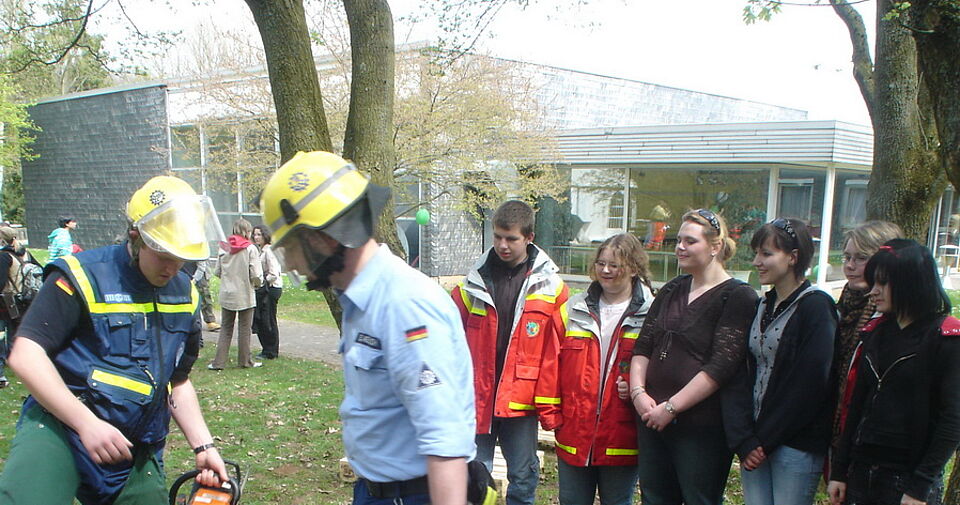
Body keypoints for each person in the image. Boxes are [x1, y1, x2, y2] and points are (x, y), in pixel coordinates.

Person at [260, 151, 476, 505]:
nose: (292, 263)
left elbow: (445, 442)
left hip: (414, 495)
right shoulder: (362, 299)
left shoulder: (403, 304)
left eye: (292, 248)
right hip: (380, 491)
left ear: (324, 238)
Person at [0, 176, 229, 504]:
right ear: (136, 236)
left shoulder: (185, 294)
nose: (172, 267)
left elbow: (177, 381)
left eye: (181, 256)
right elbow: (26, 354)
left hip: (134, 441)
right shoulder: (81, 275)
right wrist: (86, 423)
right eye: (163, 253)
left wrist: (203, 445)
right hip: (60, 427)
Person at [629, 208, 758, 505]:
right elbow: (643, 346)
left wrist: (671, 408)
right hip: (650, 418)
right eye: (678, 240)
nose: (680, 247)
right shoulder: (672, 288)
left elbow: (721, 366)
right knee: (655, 498)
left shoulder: (737, 296)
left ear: (715, 246)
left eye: (690, 241)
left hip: (700, 429)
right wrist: (638, 394)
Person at [452, 200, 568, 505]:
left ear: (529, 238)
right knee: (475, 476)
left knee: (523, 475)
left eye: (511, 239)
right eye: (498, 237)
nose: (503, 245)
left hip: (522, 399)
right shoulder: (472, 282)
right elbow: (448, 333)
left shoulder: (551, 287)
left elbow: (562, 348)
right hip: (479, 395)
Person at [828, 239, 960, 505]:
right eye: (873, 282)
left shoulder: (945, 338)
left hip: (909, 477)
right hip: (861, 469)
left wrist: (920, 486)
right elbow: (856, 406)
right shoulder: (874, 333)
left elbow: (953, 418)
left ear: (910, 282)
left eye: (883, 283)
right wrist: (839, 471)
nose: (873, 291)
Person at [722, 218, 838, 505]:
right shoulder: (762, 305)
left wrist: (766, 440)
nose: (757, 262)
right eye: (756, 253)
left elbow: (811, 383)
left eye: (767, 254)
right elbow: (742, 372)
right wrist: (745, 439)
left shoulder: (816, 307)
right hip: (754, 442)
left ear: (793, 257)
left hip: (794, 442)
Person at [550, 233, 654, 505]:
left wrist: (636, 386)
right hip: (575, 428)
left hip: (622, 433)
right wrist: (552, 413)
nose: (605, 270)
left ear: (633, 268)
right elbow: (551, 364)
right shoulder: (573, 308)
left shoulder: (651, 313)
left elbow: (662, 368)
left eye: (614, 265)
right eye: (601, 263)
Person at [832, 221, 903, 449]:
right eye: (846, 257)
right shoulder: (842, 306)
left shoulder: (892, 318)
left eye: (861, 258)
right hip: (833, 430)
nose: (850, 266)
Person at [209, 218, 263, 370]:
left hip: (227, 292)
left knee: (226, 328)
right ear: (247, 232)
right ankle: (245, 361)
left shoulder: (224, 247)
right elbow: (256, 273)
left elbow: (217, 271)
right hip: (245, 292)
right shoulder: (250, 249)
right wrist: (257, 284)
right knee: (245, 328)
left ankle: (219, 362)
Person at [0, 226, 40, 388]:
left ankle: (7, 368)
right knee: (16, 333)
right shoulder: (24, 252)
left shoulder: (4, 256)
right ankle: (19, 362)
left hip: (7, 302)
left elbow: (1, 282)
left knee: (4, 334)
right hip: (24, 299)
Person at [252, 224, 282, 360]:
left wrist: (263, 282)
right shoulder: (260, 251)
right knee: (262, 320)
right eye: (255, 234)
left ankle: (271, 351)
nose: (256, 237)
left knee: (268, 320)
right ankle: (267, 349)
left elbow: (273, 273)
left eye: (259, 234)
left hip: (271, 288)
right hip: (265, 288)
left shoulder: (269, 251)